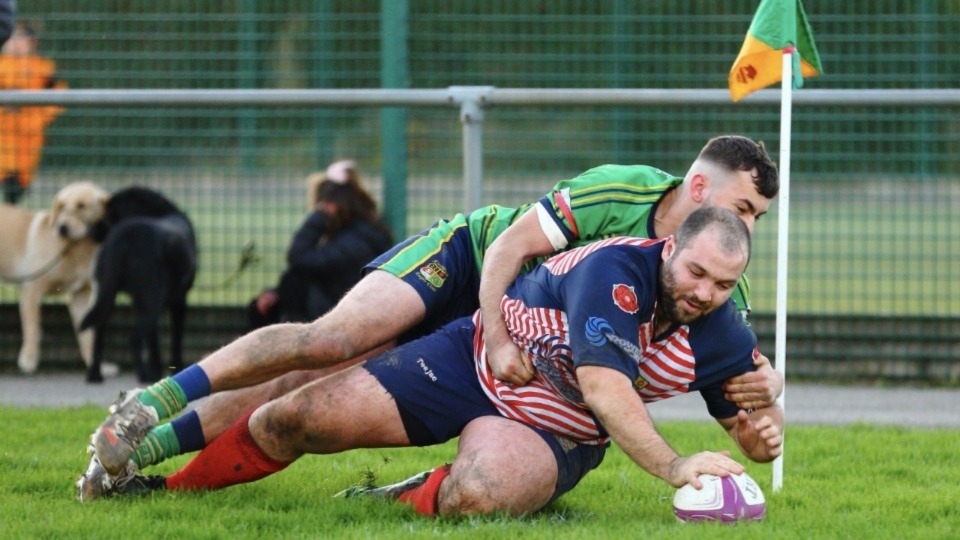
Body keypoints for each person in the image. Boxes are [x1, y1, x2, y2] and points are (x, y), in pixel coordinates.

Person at [76, 135, 783, 498]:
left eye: (752, 220)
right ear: (698, 186)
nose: (743, 224)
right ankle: (153, 408)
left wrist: (762, 395)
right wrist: (501, 331)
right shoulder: (620, 192)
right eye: (743, 207)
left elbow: (735, 372)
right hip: (476, 261)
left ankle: (141, 465)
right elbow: (510, 246)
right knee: (333, 340)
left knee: (313, 398)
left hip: (506, 316)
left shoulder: (710, 274)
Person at [246, 161, 394, 330]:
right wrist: (276, 292)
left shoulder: (355, 240)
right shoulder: (362, 231)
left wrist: (318, 218)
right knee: (267, 301)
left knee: (290, 285)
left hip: (341, 316)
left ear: (331, 205)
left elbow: (299, 258)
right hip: (338, 306)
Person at [0, 18, 67, 204]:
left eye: (20, 37)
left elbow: (58, 95)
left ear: (32, 42)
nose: (13, 42)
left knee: (17, 185)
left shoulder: (42, 68)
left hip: (26, 137)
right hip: (2, 133)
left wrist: (40, 117)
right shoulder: (2, 64)